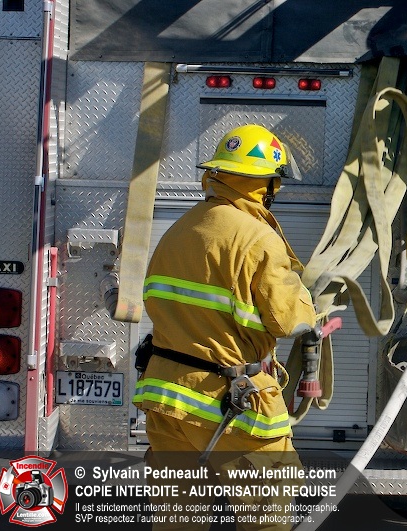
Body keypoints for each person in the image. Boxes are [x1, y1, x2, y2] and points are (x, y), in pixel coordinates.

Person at [133, 124, 317, 530]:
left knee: (179, 520)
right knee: (267, 517)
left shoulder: (179, 230)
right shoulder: (259, 240)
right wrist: (310, 304)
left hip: (167, 398)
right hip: (231, 403)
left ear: (217, 174)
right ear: (267, 185)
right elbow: (288, 320)